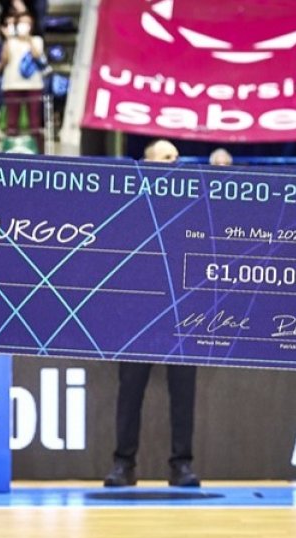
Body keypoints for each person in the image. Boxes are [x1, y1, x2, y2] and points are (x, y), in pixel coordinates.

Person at [105, 139, 201, 489]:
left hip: (181, 309)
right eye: (166, 157)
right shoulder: (130, 207)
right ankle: (123, 463)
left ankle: (181, 465)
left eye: (177, 157)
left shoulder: (192, 206)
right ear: (147, 165)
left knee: (184, 391)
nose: (175, 162)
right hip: (139, 311)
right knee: (130, 390)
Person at [0, 12, 46, 153]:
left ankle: (39, 154)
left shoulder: (37, 40)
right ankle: (9, 153)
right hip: (12, 85)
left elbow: (37, 55)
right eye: (21, 23)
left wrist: (28, 39)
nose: (23, 26)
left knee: (35, 123)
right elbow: (4, 59)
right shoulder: (10, 42)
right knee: (12, 122)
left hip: (33, 85)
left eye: (27, 23)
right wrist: (8, 39)